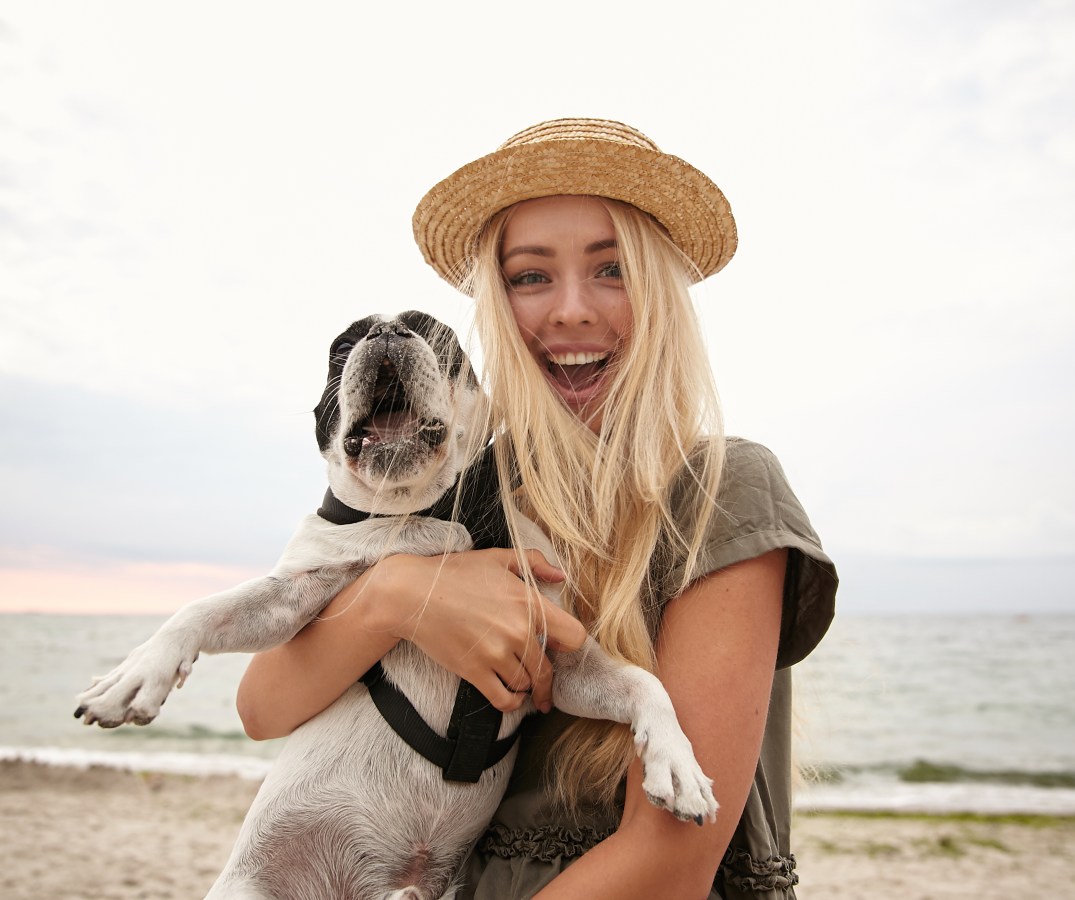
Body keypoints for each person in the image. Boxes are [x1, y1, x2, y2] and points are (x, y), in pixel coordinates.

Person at [236, 118, 838, 899]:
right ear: (497, 299)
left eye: (612, 270)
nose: (571, 311)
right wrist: (397, 597)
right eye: (530, 276)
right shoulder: (471, 489)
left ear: (660, 293)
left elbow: (671, 863)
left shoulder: (723, 487)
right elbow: (262, 706)